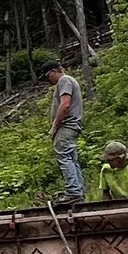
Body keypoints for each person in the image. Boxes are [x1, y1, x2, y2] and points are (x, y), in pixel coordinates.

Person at [43, 57, 84, 202]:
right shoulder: (69, 80)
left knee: (64, 156)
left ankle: (73, 191)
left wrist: (54, 126)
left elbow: (65, 105)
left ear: (54, 71)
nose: (48, 79)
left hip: (66, 125)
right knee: (72, 158)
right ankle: (78, 190)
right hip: (72, 125)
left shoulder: (64, 81)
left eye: (48, 76)